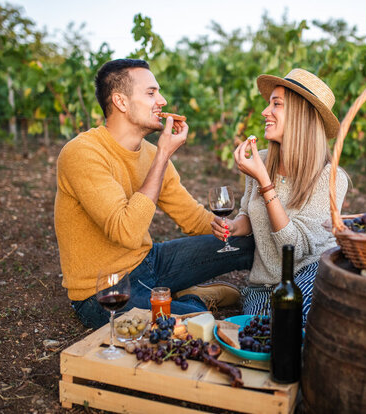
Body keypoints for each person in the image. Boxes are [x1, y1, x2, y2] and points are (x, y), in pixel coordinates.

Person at [54, 59, 254, 329]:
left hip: (150, 262)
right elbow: (125, 231)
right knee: (200, 324)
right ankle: (194, 299)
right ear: (121, 102)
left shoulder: (149, 153)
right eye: (151, 93)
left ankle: (180, 295)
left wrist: (234, 227)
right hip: (103, 292)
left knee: (252, 244)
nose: (162, 100)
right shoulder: (83, 153)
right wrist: (162, 155)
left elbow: (191, 217)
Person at [211, 68, 348, 327]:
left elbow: (293, 251)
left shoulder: (330, 178)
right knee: (257, 335)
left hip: (308, 271)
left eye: (276, 104)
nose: (265, 111)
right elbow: (248, 214)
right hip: (264, 283)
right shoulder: (261, 160)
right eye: (268, 103)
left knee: (292, 325)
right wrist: (233, 226)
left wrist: (265, 182)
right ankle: (202, 300)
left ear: (300, 116)